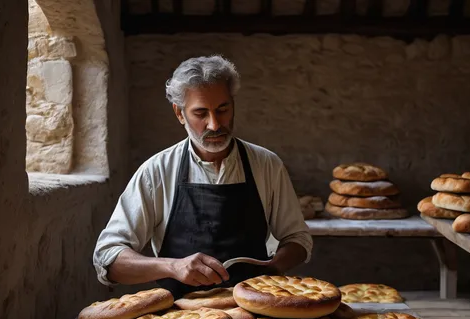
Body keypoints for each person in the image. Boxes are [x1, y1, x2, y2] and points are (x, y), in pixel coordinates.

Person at [93, 55, 312, 298]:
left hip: (253, 314)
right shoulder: (156, 171)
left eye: (223, 109)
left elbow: (298, 239)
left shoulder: (267, 165)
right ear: (179, 113)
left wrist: (275, 267)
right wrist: (172, 267)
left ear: (233, 104)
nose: (214, 125)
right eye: (200, 113)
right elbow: (108, 258)